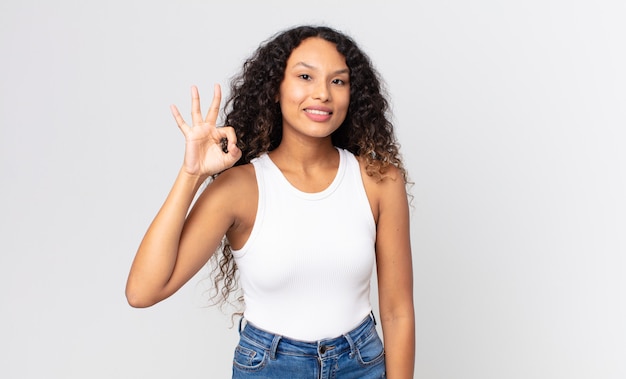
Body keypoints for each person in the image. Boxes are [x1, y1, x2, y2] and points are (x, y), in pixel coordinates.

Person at [126, 25, 415, 378]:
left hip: (362, 365)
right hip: (270, 368)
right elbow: (142, 291)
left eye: (338, 81)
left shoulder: (379, 181)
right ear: (275, 90)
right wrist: (192, 175)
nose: (322, 93)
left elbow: (398, 312)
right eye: (305, 76)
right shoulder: (239, 188)